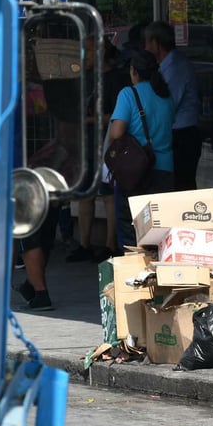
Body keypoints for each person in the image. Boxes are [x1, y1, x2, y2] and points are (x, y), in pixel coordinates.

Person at [68, 38, 132, 263]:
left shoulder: (116, 79)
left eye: (88, 50)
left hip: (107, 143)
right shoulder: (86, 78)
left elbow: (117, 115)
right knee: (85, 193)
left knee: (107, 194)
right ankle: (84, 243)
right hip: (86, 142)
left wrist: (87, 119)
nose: (84, 55)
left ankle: (110, 244)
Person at [109, 49, 176, 249]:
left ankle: (134, 274)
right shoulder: (166, 95)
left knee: (132, 231)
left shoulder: (128, 94)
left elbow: (117, 132)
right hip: (165, 169)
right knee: (161, 229)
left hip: (136, 171)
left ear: (133, 71)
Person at [143, 21, 201, 191]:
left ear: (155, 43)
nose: (145, 47)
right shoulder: (166, 65)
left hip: (182, 135)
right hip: (174, 134)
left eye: (147, 42)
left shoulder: (176, 66)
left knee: (181, 186)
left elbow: (167, 104)